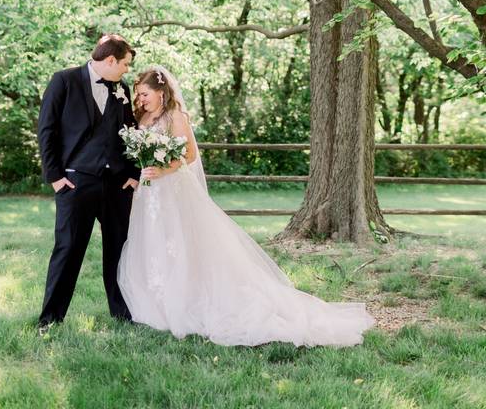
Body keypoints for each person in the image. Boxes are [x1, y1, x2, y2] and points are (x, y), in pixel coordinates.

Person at [117, 65, 375, 347]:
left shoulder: (175, 115)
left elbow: (189, 155)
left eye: (144, 94)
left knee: (180, 244)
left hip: (173, 190)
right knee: (155, 243)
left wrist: (163, 170)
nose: (140, 99)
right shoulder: (141, 116)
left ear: (161, 92)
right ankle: (158, 304)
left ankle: (188, 300)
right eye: (138, 94)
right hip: (150, 194)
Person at [36, 34, 141, 334]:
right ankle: (50, 319)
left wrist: (133, 172)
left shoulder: (121, 90)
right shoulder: (64, 81)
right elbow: (47, 131)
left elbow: (130, 134)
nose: (126, 70)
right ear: (109, 60)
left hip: (117, 186)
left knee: (119, 251)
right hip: (75, 182)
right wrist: (55, 177)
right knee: (68, 249)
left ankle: (123, 315)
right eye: (124, 64)